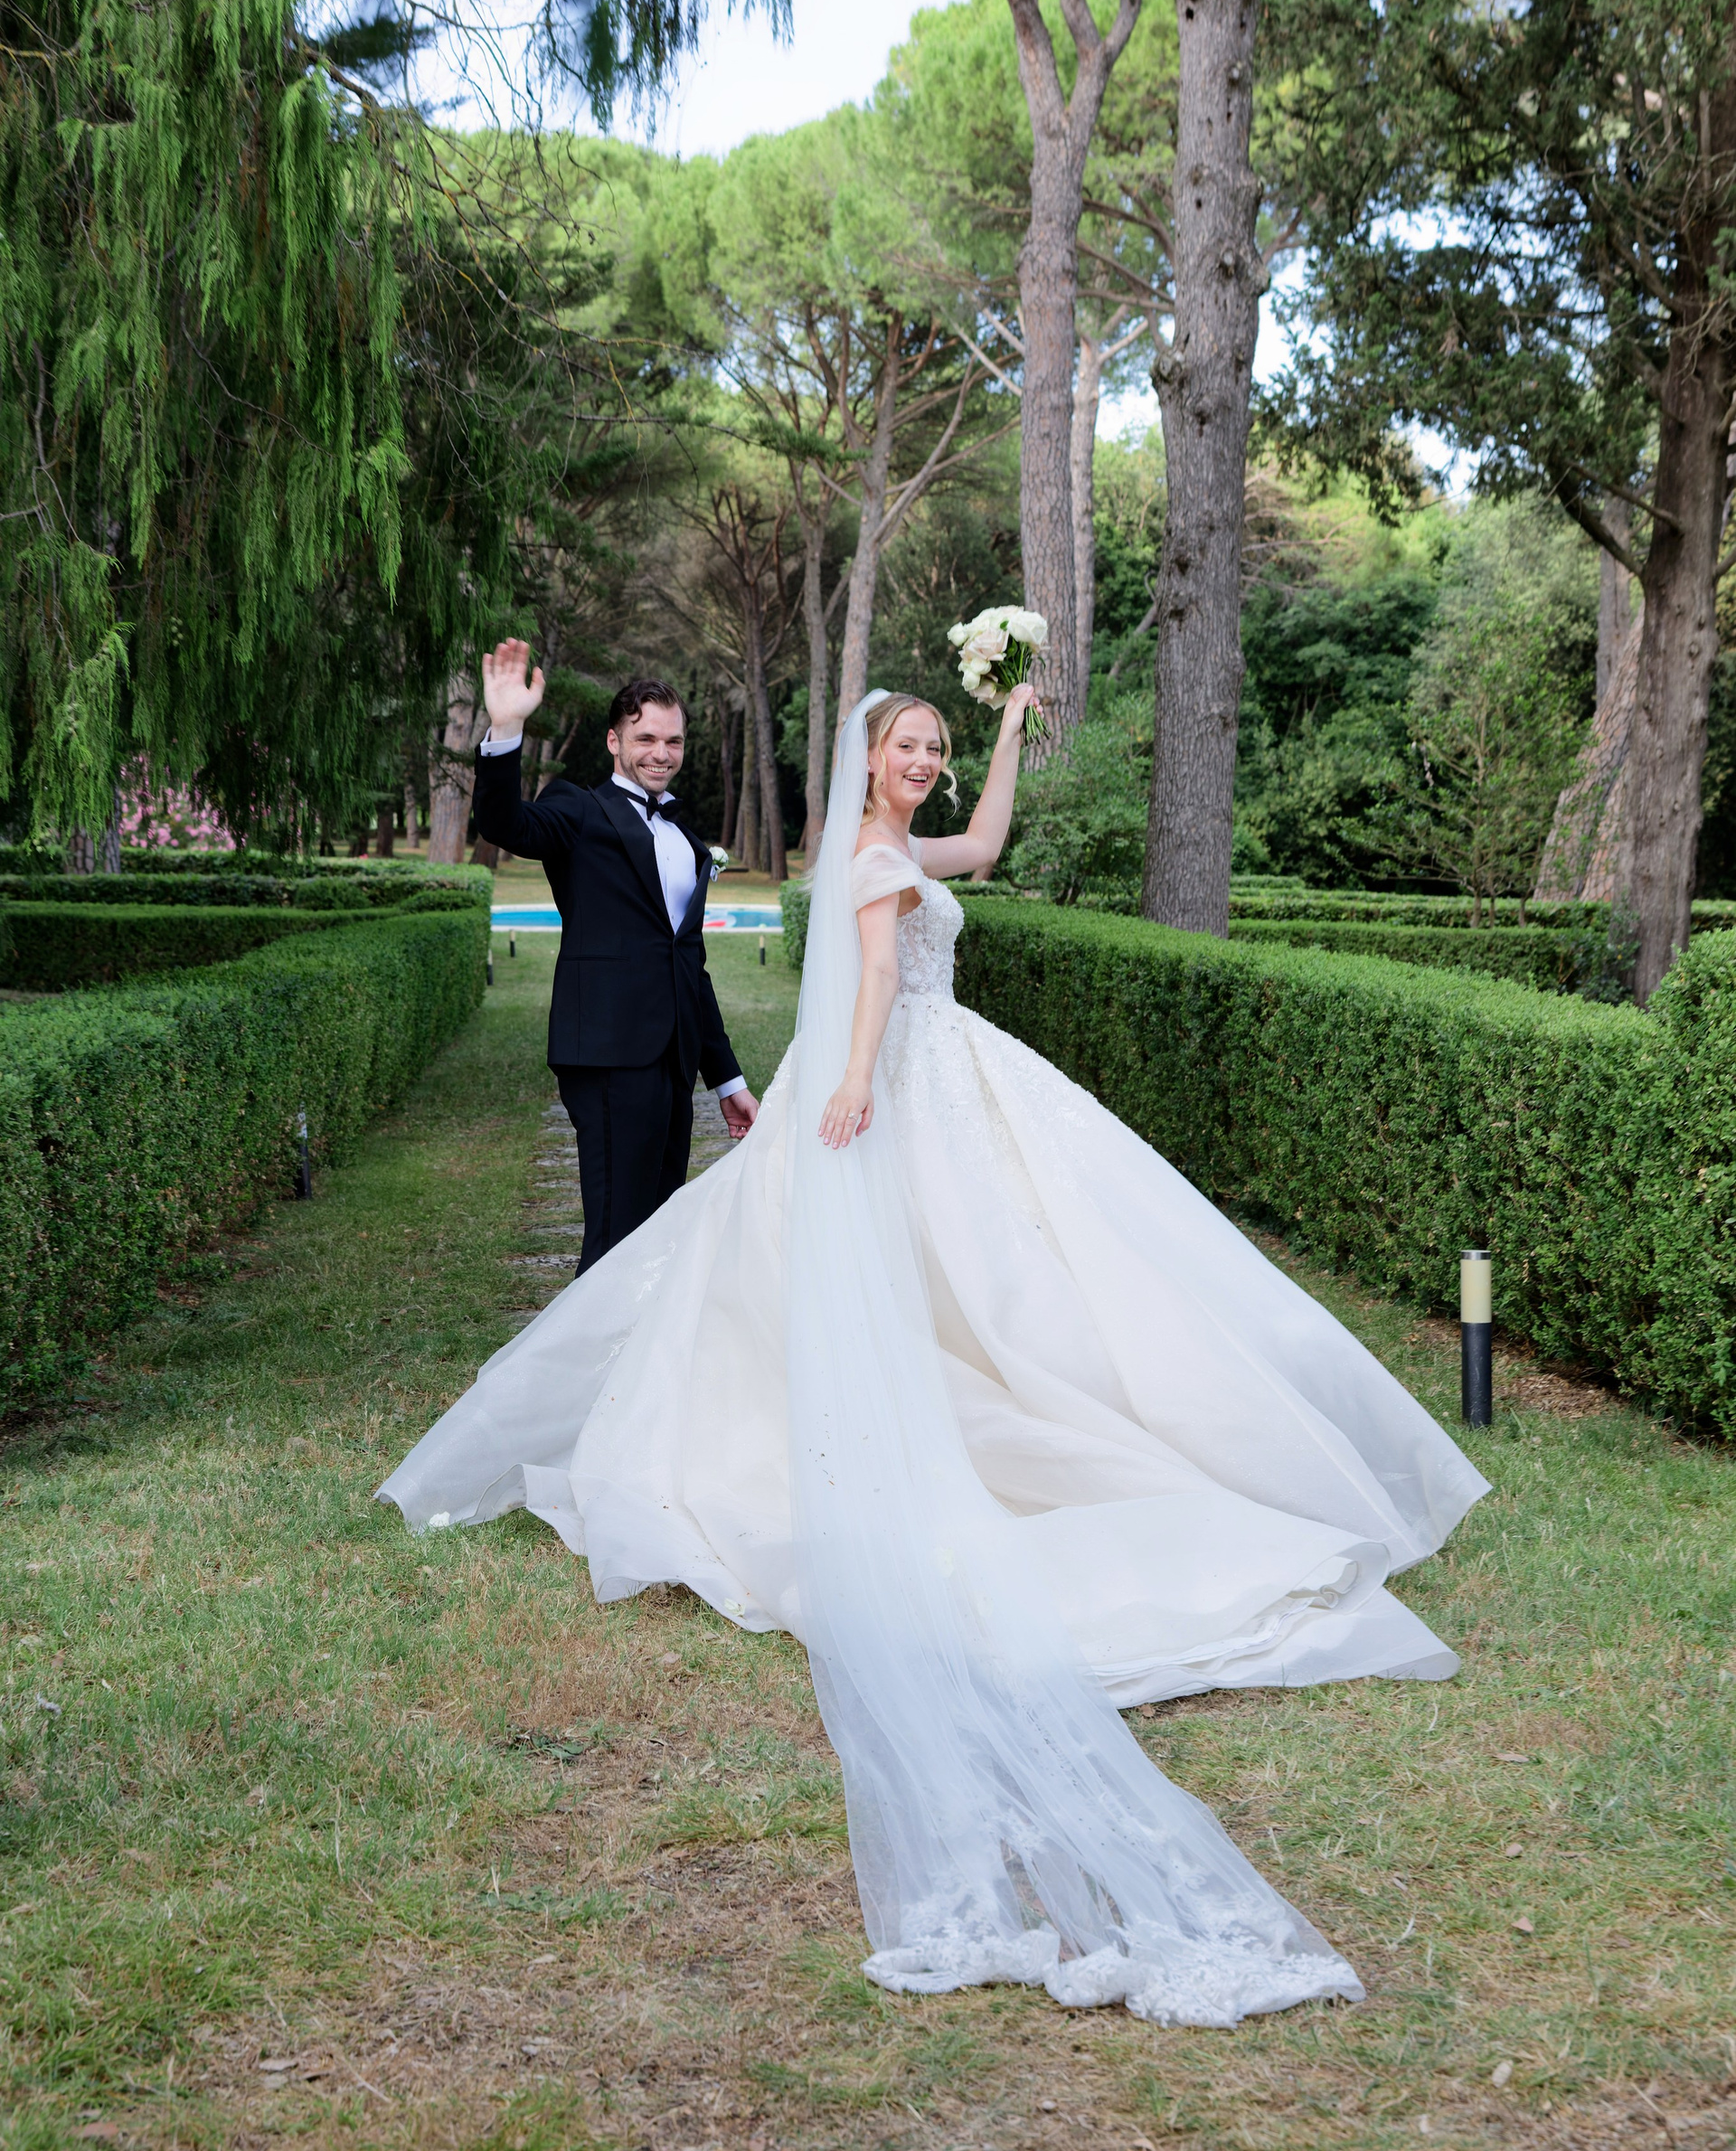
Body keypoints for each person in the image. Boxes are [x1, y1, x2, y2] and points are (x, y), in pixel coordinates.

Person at [382, 683, 1488, 2029]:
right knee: (846, 1271)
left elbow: (987, 847)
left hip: (938, 1069)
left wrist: (1009, 727)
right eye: (909, 746)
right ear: (870, 757)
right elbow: (878, 977)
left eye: (937, 749)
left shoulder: (905, 843)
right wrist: (854, 1078)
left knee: (1001, 1277)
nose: (925, 762)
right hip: (886, 1070)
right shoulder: (858, 853)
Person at [471, 644, 758, 1274]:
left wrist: (728, 1082)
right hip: (606, 1054)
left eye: (673, 741)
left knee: (658, 1231)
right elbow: (504, 823)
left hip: (673, 1058)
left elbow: (689, 967)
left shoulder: (684, 837)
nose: (661, 753)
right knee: (615, 1235)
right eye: (645, 738)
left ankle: (638, 1340)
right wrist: (506, 727)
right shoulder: (579, 809)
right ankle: (588, 1341)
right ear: (614, 741)